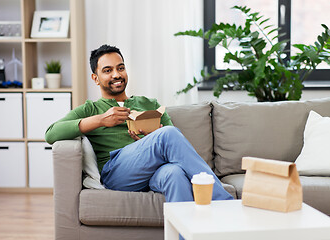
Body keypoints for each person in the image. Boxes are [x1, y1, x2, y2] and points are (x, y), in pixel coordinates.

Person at [45, 44, 233, 202]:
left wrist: (150, 140)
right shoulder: (90, 109)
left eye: (120, 68)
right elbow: (51, 133)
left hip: (155, 170)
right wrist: (102, 120)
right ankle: (223, 203)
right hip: (117, 173)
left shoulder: (150, 104)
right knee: (167, 134)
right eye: (107, 70)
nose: (117, 74)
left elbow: (175, 141)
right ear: (95, 78)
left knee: (174, 173)